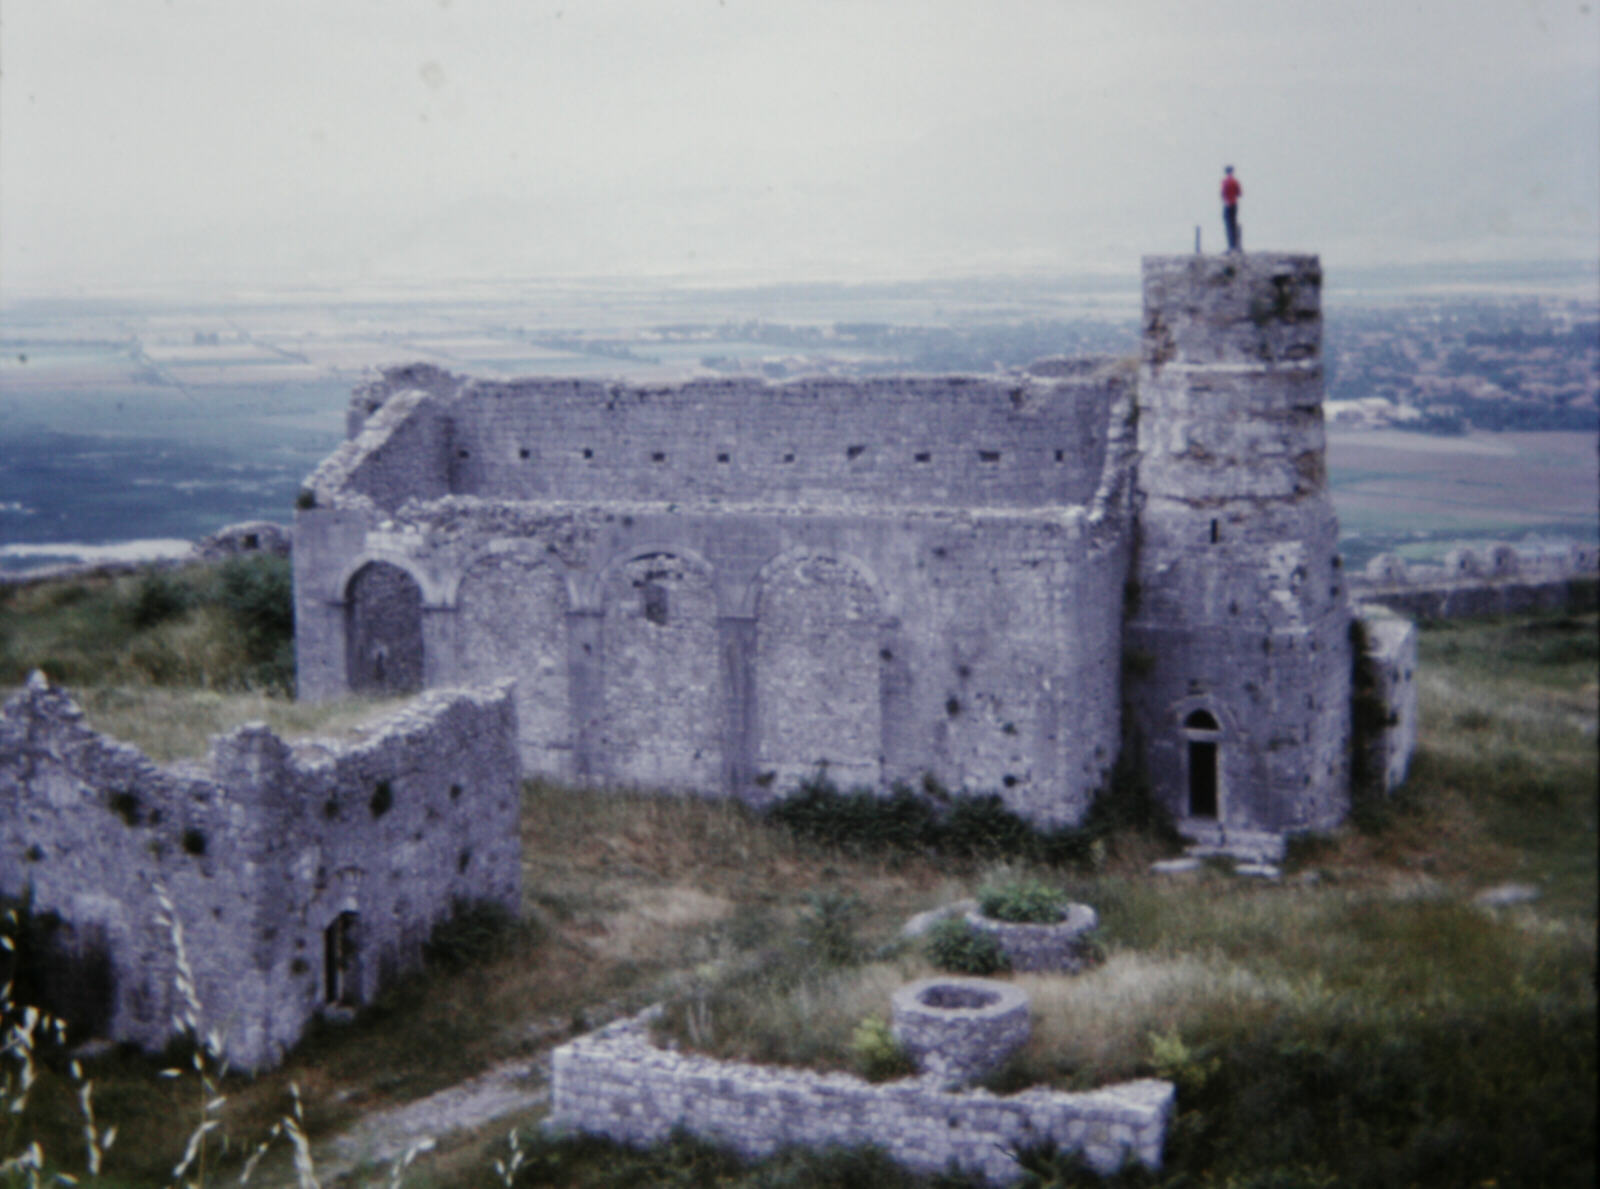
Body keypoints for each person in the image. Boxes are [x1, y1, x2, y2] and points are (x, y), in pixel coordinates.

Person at [1221, 166, 1242, 252]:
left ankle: (1231, 246)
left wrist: (1227, 199)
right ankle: (1235, 245)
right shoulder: (1235, 181)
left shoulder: (1225, 182)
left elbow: (1223, 194)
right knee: (1234, 224)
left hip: (1227, 204)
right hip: (1234, 204)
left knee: (1228, 225)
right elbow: (1239, 193)